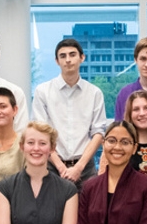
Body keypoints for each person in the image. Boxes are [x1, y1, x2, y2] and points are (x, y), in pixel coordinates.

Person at [32, 38, 108, 187]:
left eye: (72, 55)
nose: (68, 60)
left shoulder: (94, 93)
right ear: (57, 61)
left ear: (82, 58)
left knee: (88, 210)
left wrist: (78, 167)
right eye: (63, 56)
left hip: (85, 168)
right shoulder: (43, 92)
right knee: (52, 210)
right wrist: (61, 167)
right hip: (52, 167)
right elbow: (41, 134)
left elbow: (98, 133)